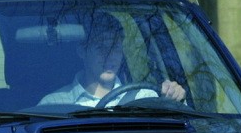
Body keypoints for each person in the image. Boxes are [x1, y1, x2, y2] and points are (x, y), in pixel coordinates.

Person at [38, 12, 186, 107]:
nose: (110, 55)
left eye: (115, 47)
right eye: (101, 47)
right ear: (82, 51)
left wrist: (175, 98)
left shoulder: (145, 98)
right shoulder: (53, 105)